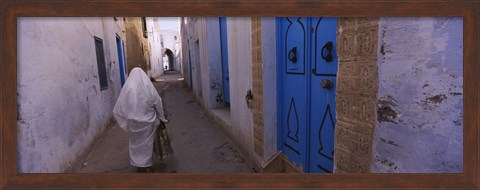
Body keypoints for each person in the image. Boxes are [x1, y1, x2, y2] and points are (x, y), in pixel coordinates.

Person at [113, 67, 168, 173]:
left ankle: (139, 165)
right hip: (148, 122)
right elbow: (157, 101)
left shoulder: (127, 87)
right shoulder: (147, 85)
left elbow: (119, 107)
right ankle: (147, 166)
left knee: (135, 144)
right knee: (147, 144)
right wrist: (161, 117)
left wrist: (125, 122)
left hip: (133, 124)